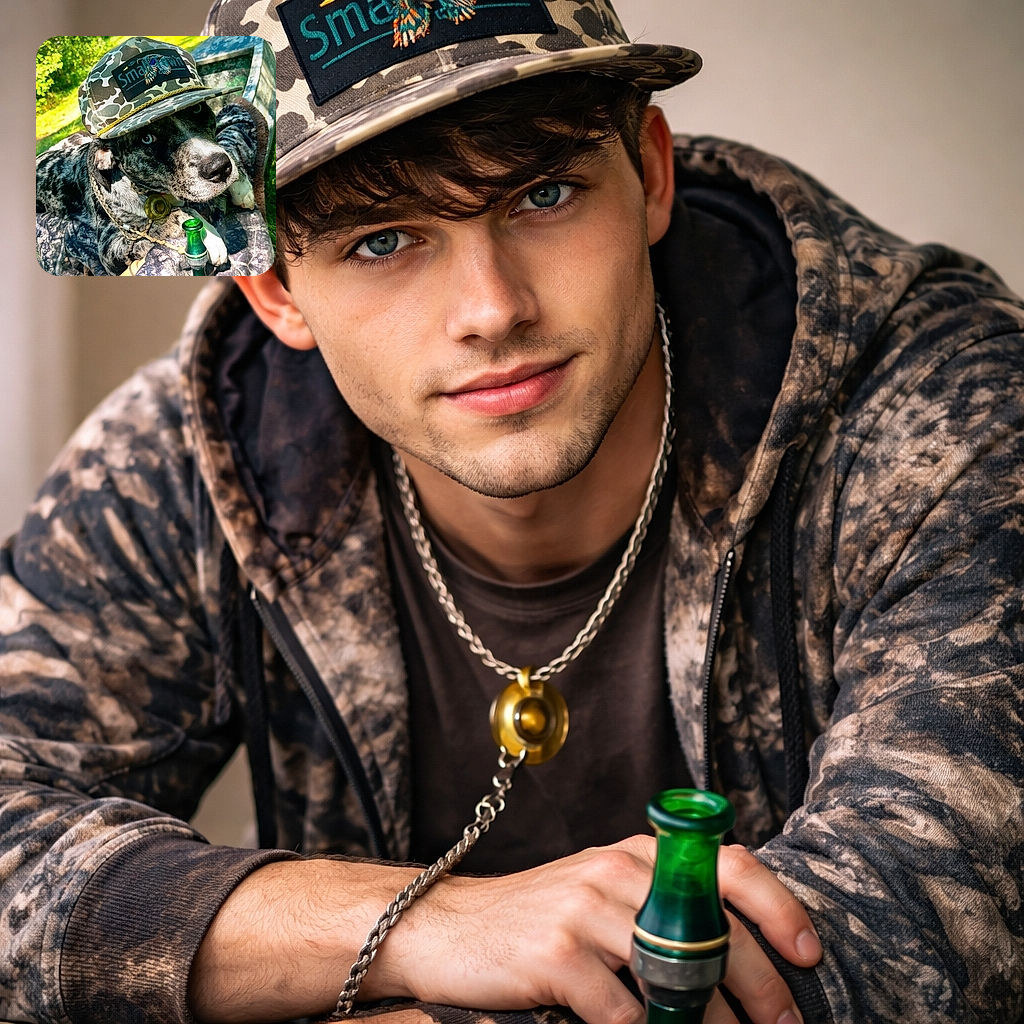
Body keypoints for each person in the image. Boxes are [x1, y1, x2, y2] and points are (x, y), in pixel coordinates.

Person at [2, 1, 1022, 1022]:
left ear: (651, 175)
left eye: (543, 193)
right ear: (276, 293)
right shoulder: (200, 443)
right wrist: (415, 921)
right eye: (383, 238)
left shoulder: (942, 403)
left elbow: (919, 930)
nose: (492, 309)